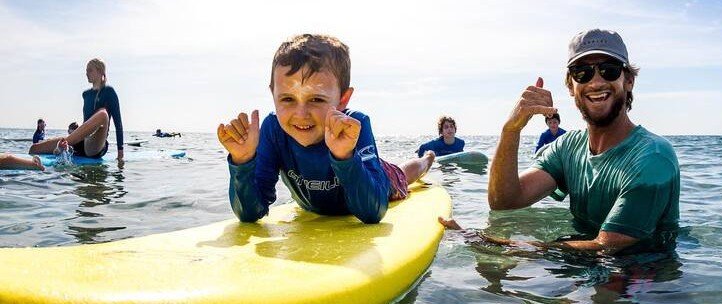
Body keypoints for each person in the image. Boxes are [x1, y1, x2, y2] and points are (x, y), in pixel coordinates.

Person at [444, 29, 680, 256]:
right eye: (582, 73)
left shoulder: (653, 158)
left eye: (609, 70)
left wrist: (491, 244)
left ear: (628, 81)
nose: (596, 82)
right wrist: (511, 129)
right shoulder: (568, 147)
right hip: (581, 264)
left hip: (646, 276)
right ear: (570, 85)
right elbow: (505, 201)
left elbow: (607, 248)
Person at [217, 34, 435, 223]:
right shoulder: (273, 129)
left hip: (373, 176)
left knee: (403, 175)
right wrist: (242, 162)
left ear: (342, 99)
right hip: (323, 202)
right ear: (272, 94)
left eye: (317, 99)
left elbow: (373, 212)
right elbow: (249, 214)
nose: (301, 114)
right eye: (287, 98)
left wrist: (345, 156)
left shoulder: (355, 126)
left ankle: (426, 159)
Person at [29, 58, 124, 163]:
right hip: (81, 142)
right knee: (34, 149)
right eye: (86, 70)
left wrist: (120, 153)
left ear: (100, 71)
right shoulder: (86, 94)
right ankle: (65, 145)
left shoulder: (109, 92)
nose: (86, 73)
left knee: (103, 114)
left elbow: (118, 123)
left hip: (95, 146)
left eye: (90, 70)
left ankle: (63, 144)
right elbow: (86, 121)